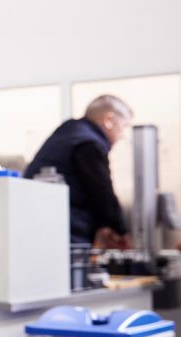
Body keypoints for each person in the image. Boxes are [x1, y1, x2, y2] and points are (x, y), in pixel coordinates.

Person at [24, 94, 133, 248]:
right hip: (68, 231)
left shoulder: (69, 132)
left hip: (37, 225)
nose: (122, 135)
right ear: (109, 120)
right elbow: (101, 191)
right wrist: (121, 231)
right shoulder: (88, 143)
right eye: (124, 126)